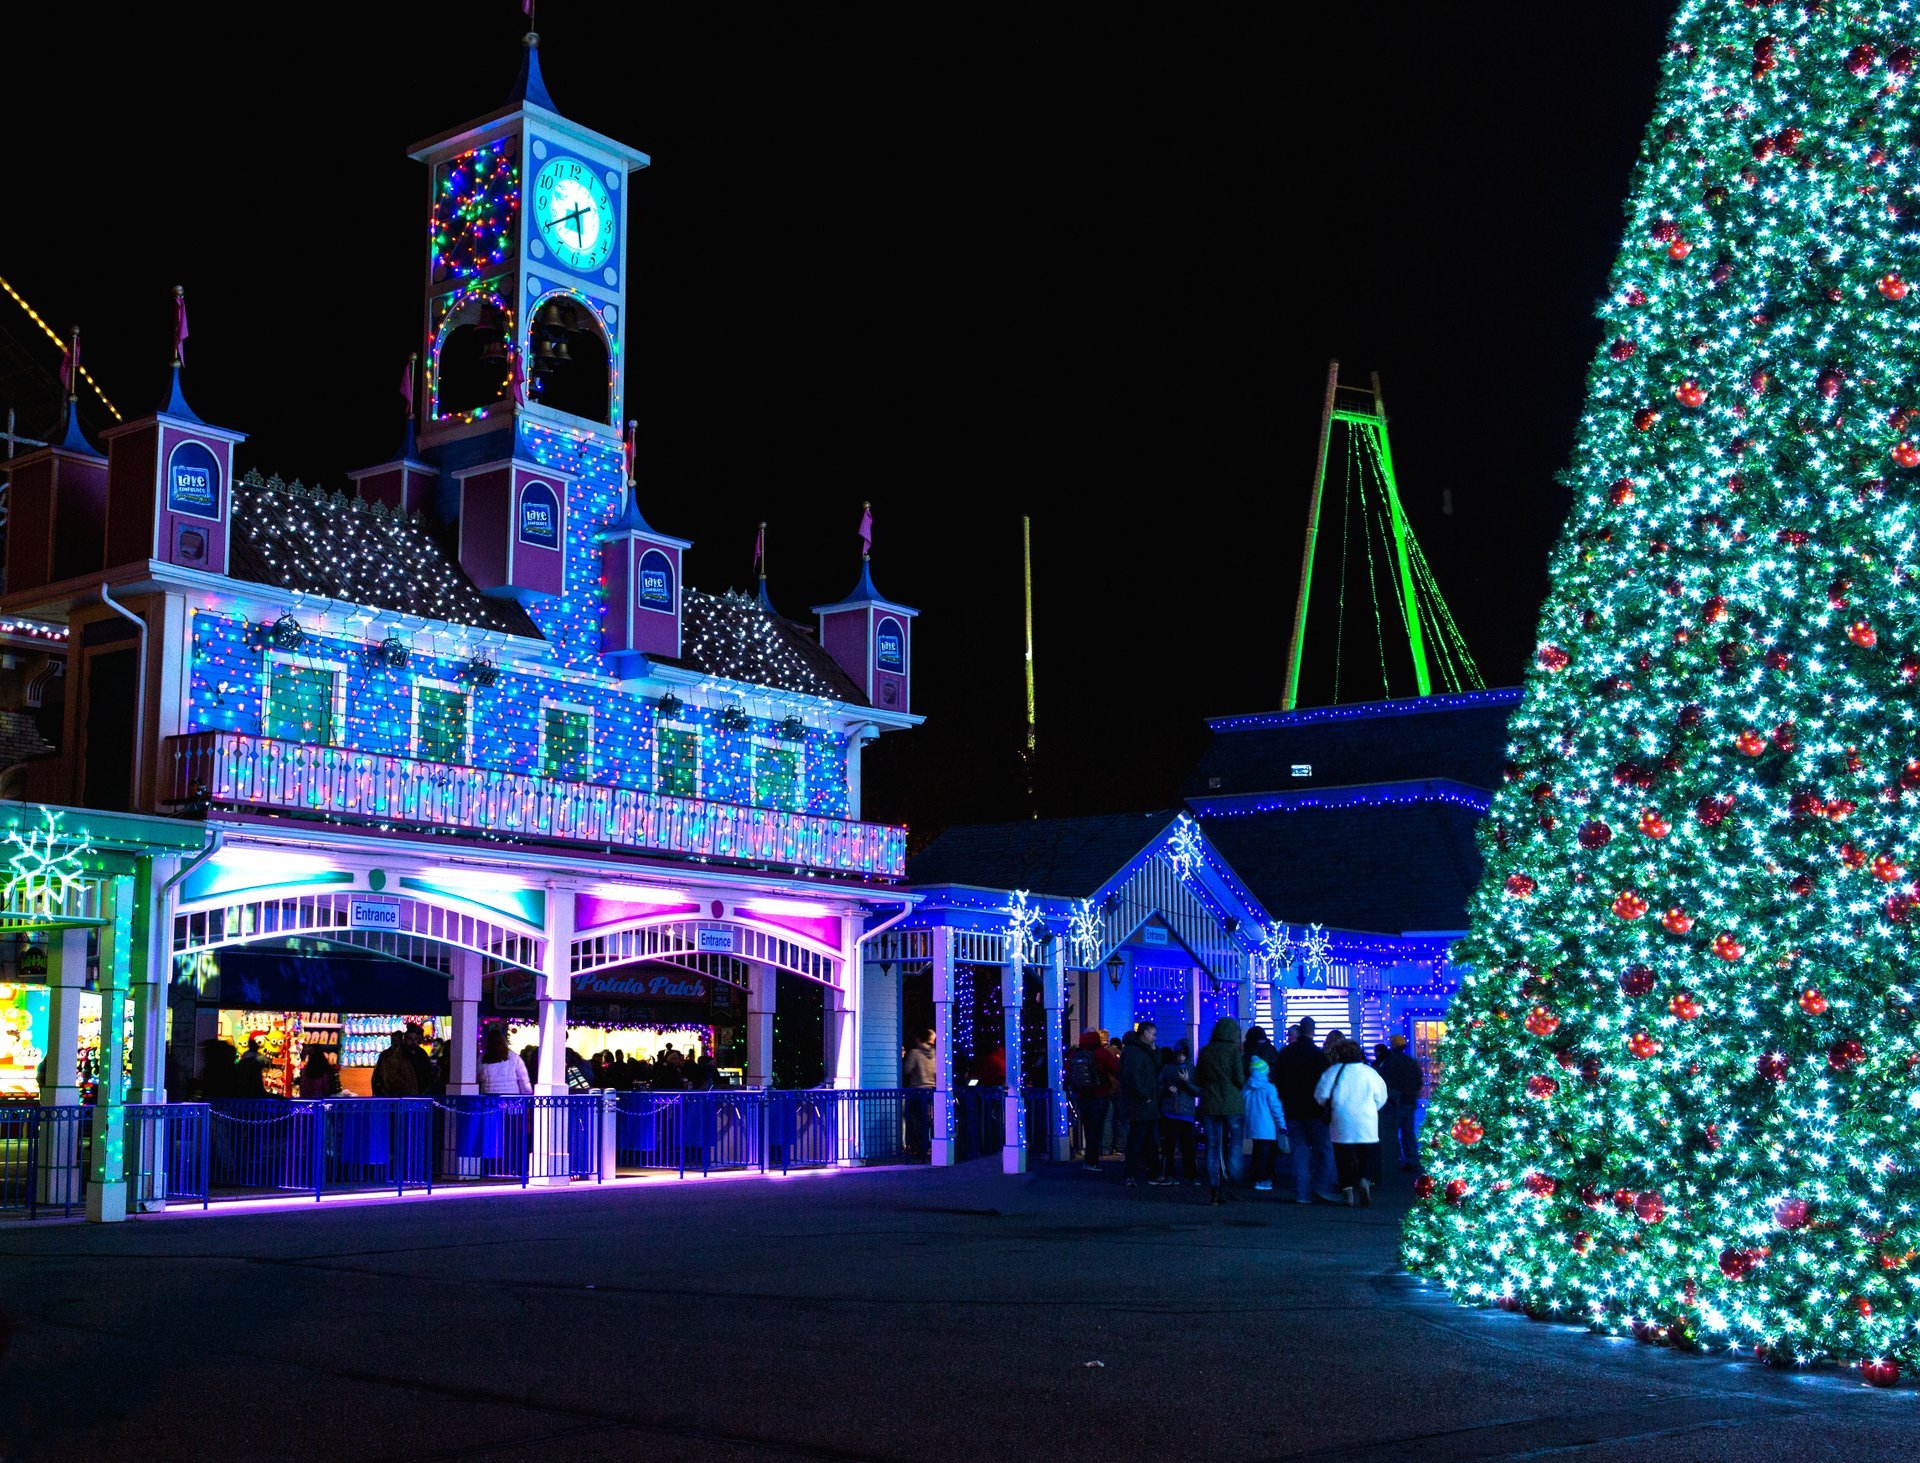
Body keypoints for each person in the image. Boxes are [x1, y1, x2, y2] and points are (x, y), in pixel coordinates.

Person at [1314, 1039, 1390, 1206]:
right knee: (1367, 1154)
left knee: (1343, 1156)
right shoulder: (1369, 1073)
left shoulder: (1333, 1072)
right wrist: (1372, 1108)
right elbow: (1382, 1096)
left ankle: (1347, 1190)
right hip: (1366, 1120)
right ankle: (1364, 1180)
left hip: (1341, 1119)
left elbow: (1321, 1096)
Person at [1273, 1018, 1341, 1204]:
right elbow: (1326, 1084)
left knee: (1300, 1153)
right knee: (1325, 1150)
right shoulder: (1318, 1056)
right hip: (1315, 1111)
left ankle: (1302, 1194)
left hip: (1293, 1110)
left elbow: (1277, 1079)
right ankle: (1322, 1187)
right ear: (1313, 1031)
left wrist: (1285, 1099)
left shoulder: (1286, 1053)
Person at [1195, 1016, 1246, 1206]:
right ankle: (1233, 1172)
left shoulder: (1206, 1051)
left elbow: (1199, 1079)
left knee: (1213, 1145)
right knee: (1235, 1141)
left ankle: (1215, 1187)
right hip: (1232, 1102)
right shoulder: (1233, 1051)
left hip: (1210, 1102)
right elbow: (1239, 1079)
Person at [1118, 1021, 1161, 1187]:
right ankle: (1137, 1173)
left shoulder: (1138, 1051)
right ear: (1145, 1033)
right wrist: (1146, 1096)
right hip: (1142, 1103)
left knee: (1144, 1139)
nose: (1154, 1037)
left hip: (1144, 1102)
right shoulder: (1136, 1053)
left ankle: (1143, 1173)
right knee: (1139, 1139)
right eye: (1153, 1034)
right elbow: (1133, 1078)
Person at [1156, 1043, 1201, 1186]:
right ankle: (1173, 1174)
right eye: (1178, 1054)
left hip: (1183, 1111)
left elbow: (1197, 1091)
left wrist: (1186, 1082)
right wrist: (1168, 1088)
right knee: (1171, 1146)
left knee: (1187, 1146)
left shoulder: (1190, 1069)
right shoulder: (1169, 1068)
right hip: (1174, 1111)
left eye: (1183, 1054)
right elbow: (1159, 1086)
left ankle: (1189, 1174)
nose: (1180, 1057)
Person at [1381, 1034, 1426, 1171]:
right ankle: (1412, 1160)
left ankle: (1394, 1159)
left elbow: (1385, 1080)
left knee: (1392, 1132)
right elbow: (1419, 1078)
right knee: (1408, 1132)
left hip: (1396, 1101)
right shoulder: (1410, 1061)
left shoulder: (1390, 1062)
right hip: (1410, 1100)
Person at [1066, 1031, 1110, 1170]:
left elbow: (1067, 1071)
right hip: (1099, 1095)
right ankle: (1092, 1161)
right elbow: (1116, 1069)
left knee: (1088, 1127)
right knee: (1096, 1130)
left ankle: (1088, 1160)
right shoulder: (1101, 1053)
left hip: (1082, 1096)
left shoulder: (1075, 1054)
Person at [1243, 1055, 1286, 1192]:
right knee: (1265, 1155)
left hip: (1252, 1126)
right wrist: (1282, 1125)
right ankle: (1262, 1179)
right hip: (1267, 1128)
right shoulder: (1269, 1088)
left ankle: (1256, 1176)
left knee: (1257, 1152)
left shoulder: (1246, 1088)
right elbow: (1276, 1108)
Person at [903, 1028, 936, 1158]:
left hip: (916, 1092)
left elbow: (907, 1070)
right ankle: (927, 1146)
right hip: (931, 1091)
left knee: (914, 1120)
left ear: (919, 1039)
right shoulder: (935, 1054)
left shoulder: (915, 1053)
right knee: (928, 1121)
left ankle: (917, 1148)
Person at [478, 1024, 532, 1095]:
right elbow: (523, 1078)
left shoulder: (482, 1058)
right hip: (511, 1099)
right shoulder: (514, 1057)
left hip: (490, 1099)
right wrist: (527, 1093)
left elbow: (478, 1077)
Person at [372, 1031, 420, 1097]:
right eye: (393, 1041)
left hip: (400, 1093)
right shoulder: (387, 1055)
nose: (394, 1043)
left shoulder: (406, 1054)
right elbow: (378, 1074)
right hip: (391, 1093)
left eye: (396, 1041)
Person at [403, 1022, 437, 1094]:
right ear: (405, 1040)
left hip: (422, 1091)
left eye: (415, 1039)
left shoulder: (421, 1053)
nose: (413, 1041)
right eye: (410, 1039)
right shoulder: (399, 1055)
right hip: (406, 1093)